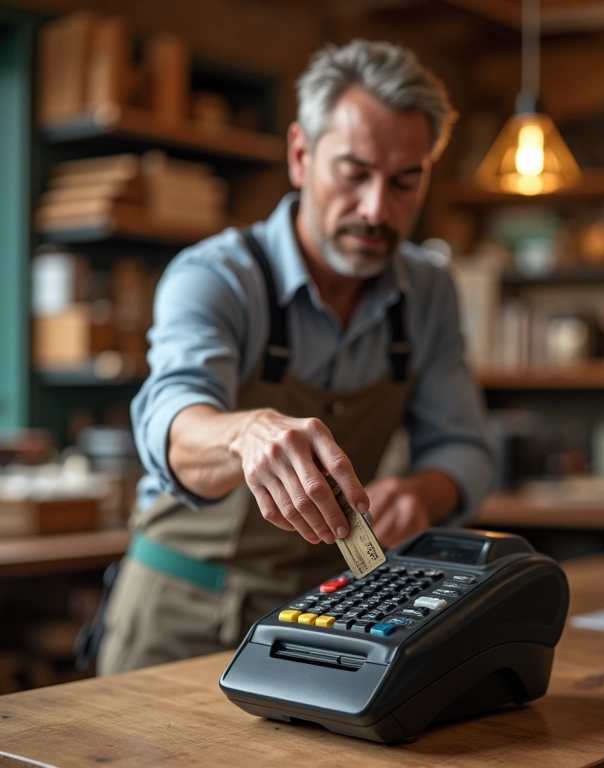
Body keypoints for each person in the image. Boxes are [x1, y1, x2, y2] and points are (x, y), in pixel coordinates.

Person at [97, 39, 494, 674]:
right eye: (354, 173)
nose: (376, 209)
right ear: (301, 155)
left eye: (404, 181)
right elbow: (170, 422)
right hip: (177, 619)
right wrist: (247, 435)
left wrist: (423, 492)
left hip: (329, 617)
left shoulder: (428, 293)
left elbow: (465, 448)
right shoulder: (215, 276)